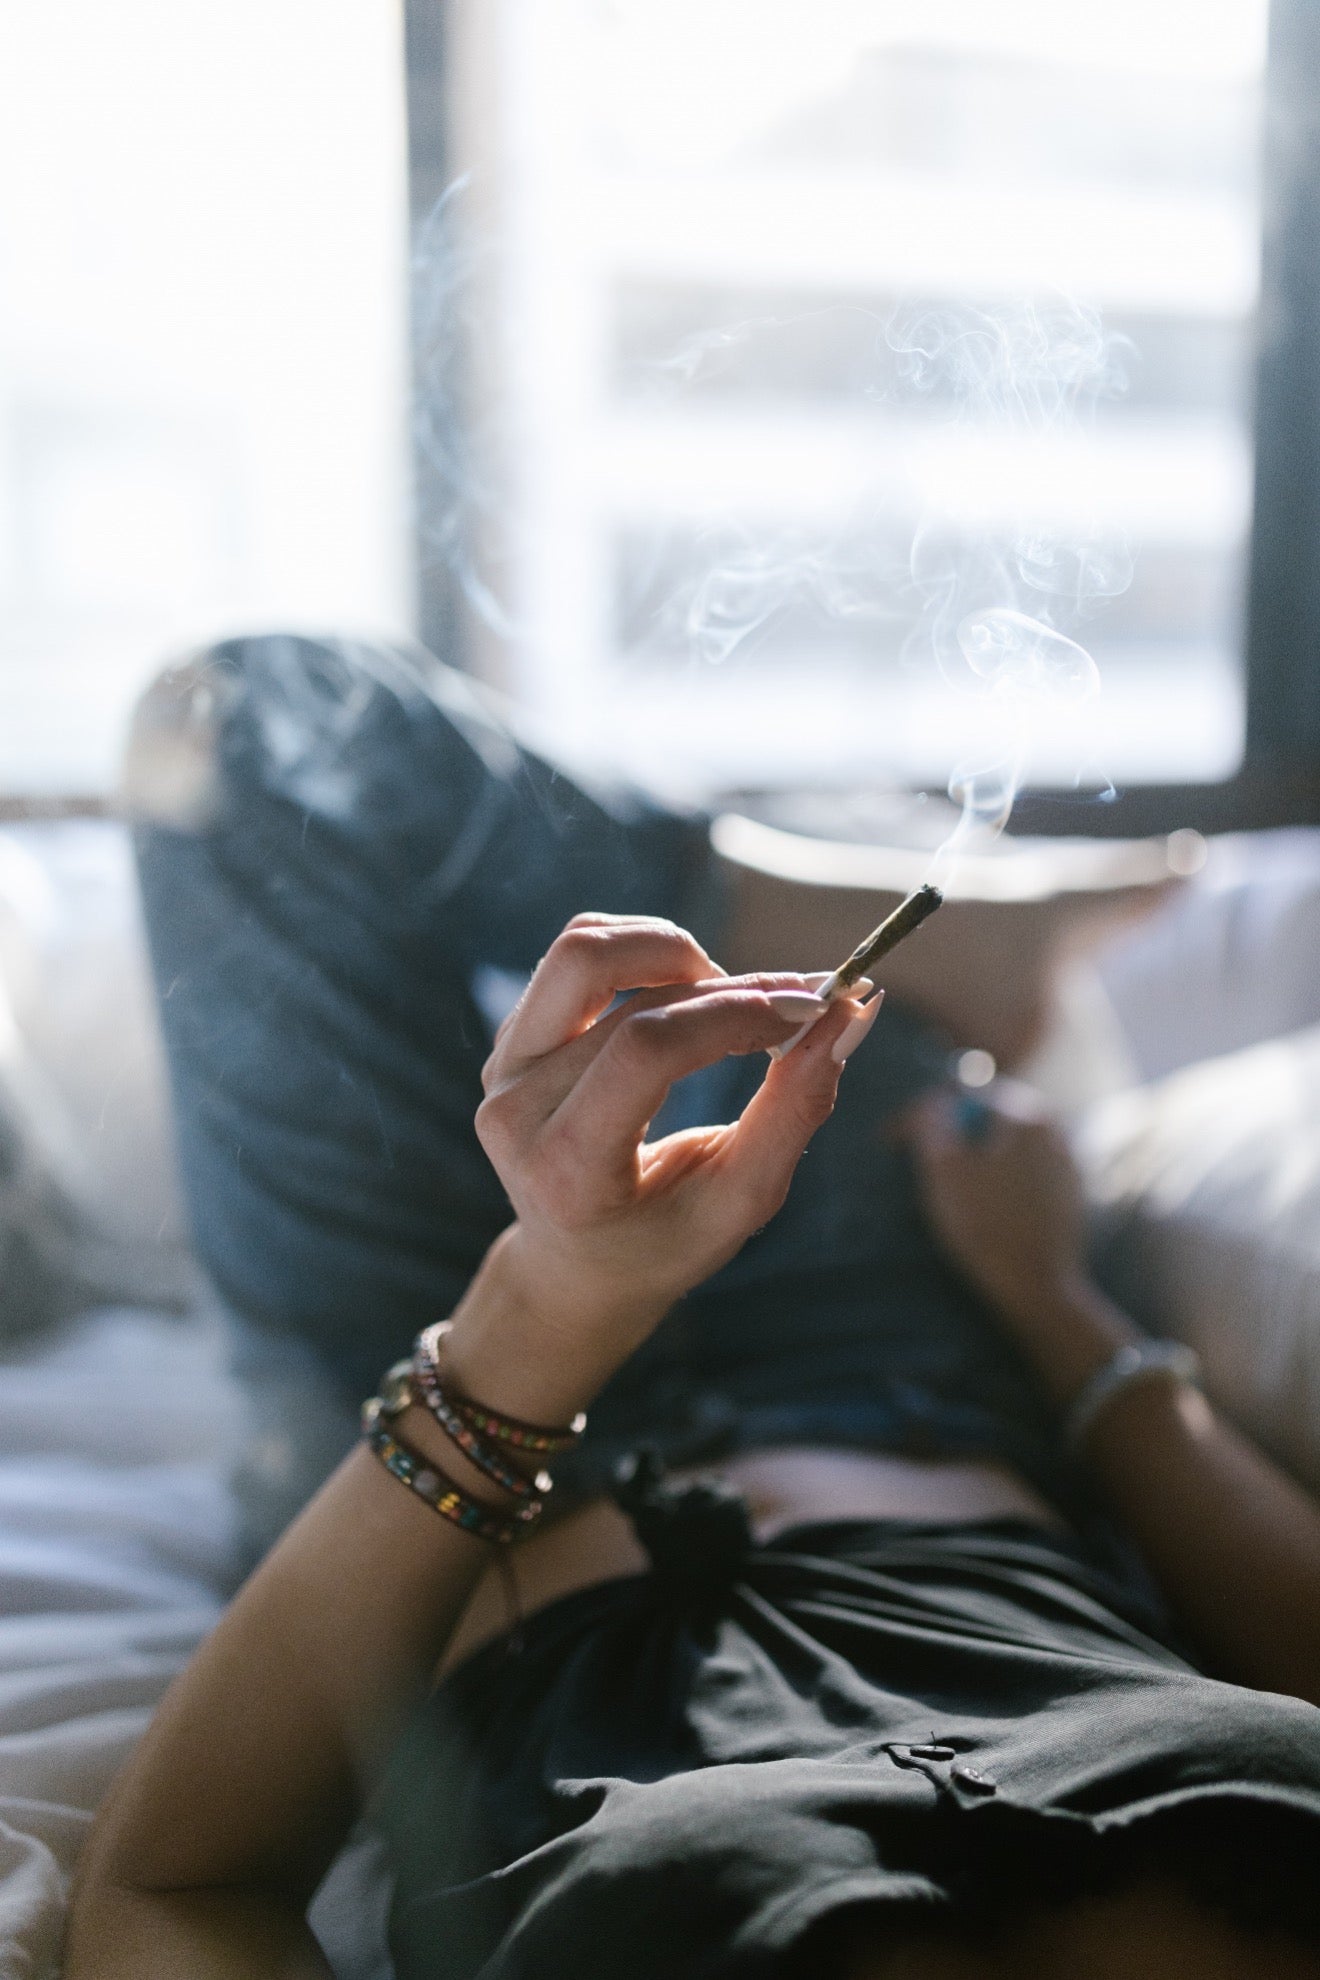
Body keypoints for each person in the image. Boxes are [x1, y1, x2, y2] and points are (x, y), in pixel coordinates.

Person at [65, 635, 1320, 1978]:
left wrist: (549, 1302)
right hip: (912, 1377)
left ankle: (771, 892)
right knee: (811, 939)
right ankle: (807, 898)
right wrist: (1050, 1291)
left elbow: (174, 1888)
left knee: (247, 729)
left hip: (450, 1472)